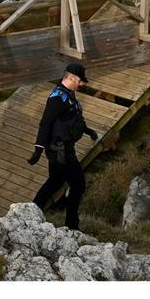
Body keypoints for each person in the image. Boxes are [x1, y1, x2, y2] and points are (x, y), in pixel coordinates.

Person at [28, 62, 98, 231]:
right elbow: (45, 124)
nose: (81, 84)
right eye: (80, 81)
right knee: (78, 184)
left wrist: (88, 131)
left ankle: (31, 213)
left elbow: (71, 119)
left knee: (55, 181)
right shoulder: (57, 98)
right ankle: (72, 225)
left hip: (63, 148)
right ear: (71, 77)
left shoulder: (68, 95)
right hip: (60, 150)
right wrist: (38, 149)